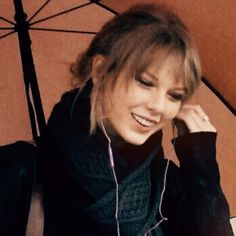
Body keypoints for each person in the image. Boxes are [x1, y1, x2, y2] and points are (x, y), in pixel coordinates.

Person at [39, 3, 233, 236]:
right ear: (100, 71)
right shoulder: (23, 174)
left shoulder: (166, 185)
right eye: (145, 82)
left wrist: (201, 163)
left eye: (174, 96)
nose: (159, 107)